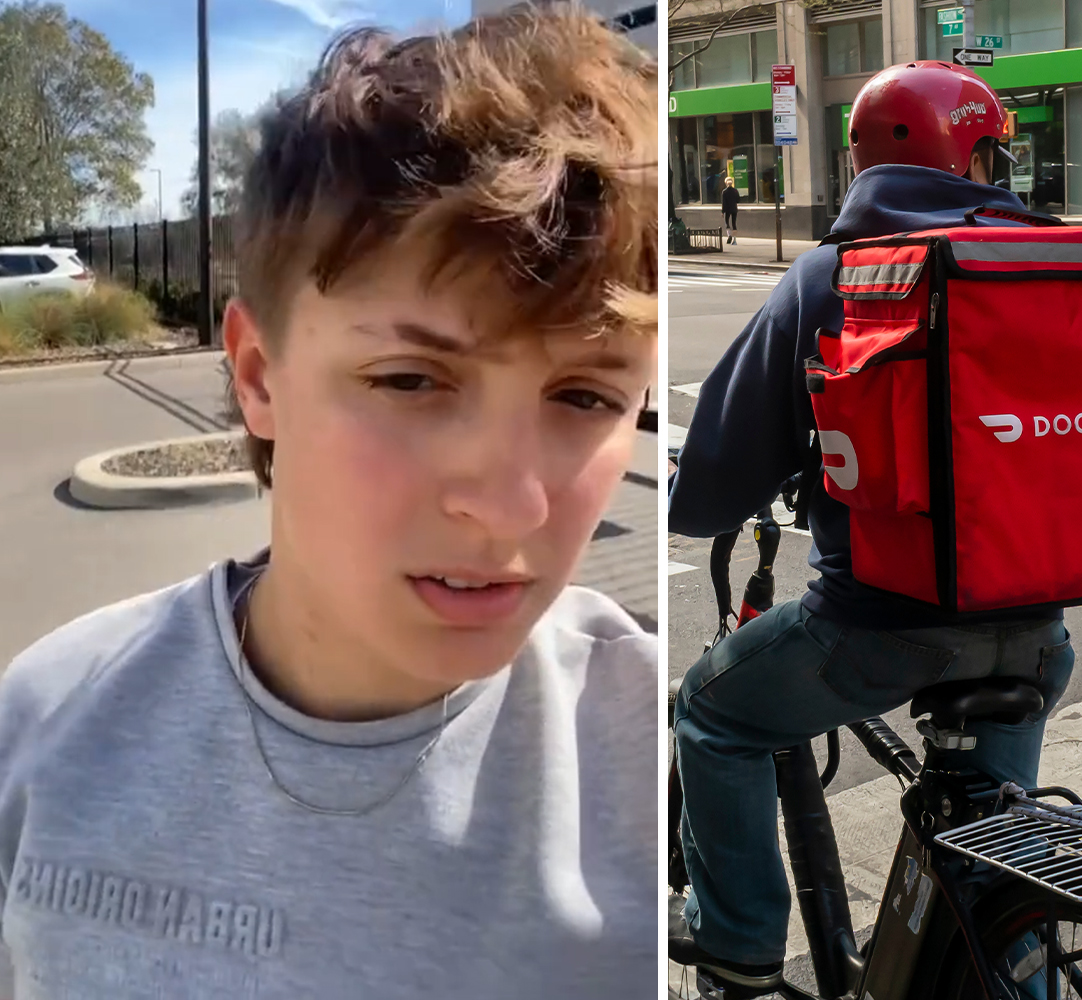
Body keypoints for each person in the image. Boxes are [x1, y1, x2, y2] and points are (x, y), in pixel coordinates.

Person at [0, 7, 659, 997]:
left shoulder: (647, 755)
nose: (510, 507)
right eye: (410, 380)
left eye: (585, 397)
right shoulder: (48, 722)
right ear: (258, 375)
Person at [667, 59, 1076, 984]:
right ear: (973, 158)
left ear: (865, 160)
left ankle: (739, 939)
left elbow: (714, 488)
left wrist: (692, 488)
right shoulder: (1046, 265)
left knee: (711, 713)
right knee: (1001, 868)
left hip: (883, 630)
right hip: (1037, 633)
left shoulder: (834, 277)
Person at [721, 178, 740, 245]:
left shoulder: (724, 192)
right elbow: (738, 200)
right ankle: (734, 239)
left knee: (727, 222)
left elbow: (723, 203)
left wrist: (722, 211)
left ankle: (729, 235)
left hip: (727, 209)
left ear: (726, 183)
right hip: (734, 209)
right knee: (734, 223)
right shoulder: (735, 191)